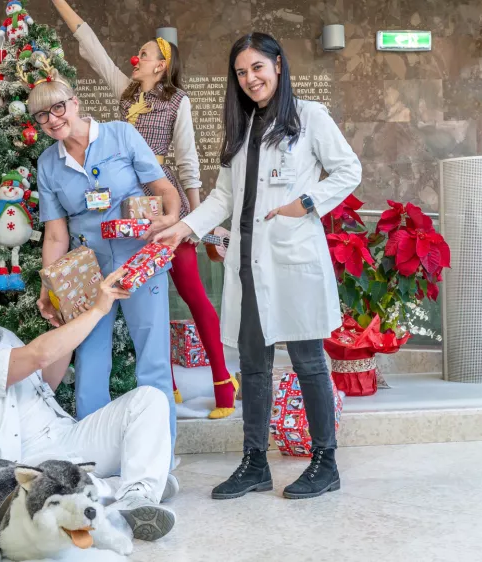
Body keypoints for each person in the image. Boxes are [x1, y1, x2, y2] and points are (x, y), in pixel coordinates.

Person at [155, 32, 362, 500]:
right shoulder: (243, 128)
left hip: (293, 259)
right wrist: (185, 228)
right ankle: (254, 464)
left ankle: (325, 463)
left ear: (278, 65)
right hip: (247, 264)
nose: (250, 79)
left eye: (257, 68)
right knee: (252, 365)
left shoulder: (310, 117)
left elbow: (349, 170)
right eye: (242, 72)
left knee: (309, 362)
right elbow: (224, 197)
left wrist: (305, 203)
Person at [51, 0, 238, 419]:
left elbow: (188, 163)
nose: (136, 58)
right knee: (146, 303)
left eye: (146, 54)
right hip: (122, 215)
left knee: (191, 292)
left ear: (161, 65)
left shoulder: (178, 101)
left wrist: (194, 223)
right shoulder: (126, 92)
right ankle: (165, 390)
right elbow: (92, 47)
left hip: (162, 206)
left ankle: (224, 382)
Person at [0, 269, 177, 541]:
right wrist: (97, 311)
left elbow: (45, 381)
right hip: (23, 465)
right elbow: (39, 356)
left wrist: (69, 323)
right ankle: (132, 484)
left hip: (68, 437)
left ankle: (134, 497)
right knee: (57, 485)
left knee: (148, 399)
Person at [27, 71, 183, 450]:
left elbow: (163, 189)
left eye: (58, 107)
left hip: (139, 260)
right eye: (42, 116)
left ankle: (158, 451)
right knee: (91, 364)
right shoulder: (48, 164)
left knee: (153, 360)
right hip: (87, 271)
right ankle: (91, 457)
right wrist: (51, 287)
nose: (53, 119)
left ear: (75, 103)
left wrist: (171, 217)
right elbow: (55, 235)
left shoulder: (120, 134)